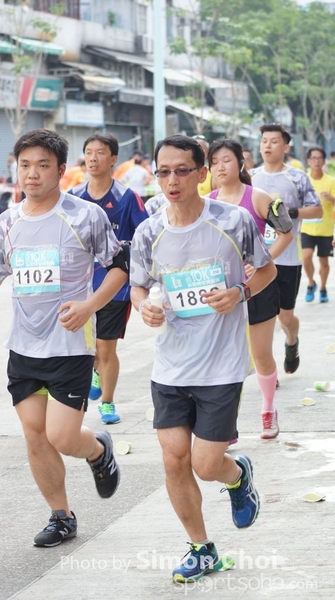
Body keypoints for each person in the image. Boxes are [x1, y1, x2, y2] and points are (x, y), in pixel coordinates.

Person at [0, 129, 127, 547]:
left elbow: (120, 266)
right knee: (35, 435)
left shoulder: (85, 216)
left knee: (62, 437)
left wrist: (89, 305)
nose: (32, 174)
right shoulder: (8, 221)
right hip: (23, 346)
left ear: (61, 170)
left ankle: (97, 450)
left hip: (70, 345)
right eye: (25, 165)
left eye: (43, 165)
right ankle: (61, 516)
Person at [130, 134, 277, 582]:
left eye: (182, 171)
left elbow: (266, 269)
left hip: (222, 364)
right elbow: (138, 285)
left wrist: (239, 292)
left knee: (205, 464)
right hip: (170, 364)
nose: (172, 181)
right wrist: (144, 306)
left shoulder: (233, 221)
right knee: (174, 459)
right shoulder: (148, 231)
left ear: (202, 173)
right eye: (163, 172)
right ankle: (201, 548)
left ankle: (237, 476)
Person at [208, 139, 293, 439]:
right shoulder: (207, 202)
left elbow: (286, 232)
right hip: (221, 291)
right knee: (225, 359)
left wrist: (262, 262)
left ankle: (268, 410)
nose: (220, 166)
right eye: (214, 161)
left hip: (257, 287)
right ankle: (225, 427)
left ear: (240, 163)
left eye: (226, 160)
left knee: (260, 355)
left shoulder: (257, 197)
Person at [69, 133, 148, 424]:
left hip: (116, 287)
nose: (93, 158)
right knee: (85, 349)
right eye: (88, 152)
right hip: (79, 287)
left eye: (100, 152)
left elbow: (144, 235)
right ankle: (95, 372)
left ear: (114, 158)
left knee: (105, 347)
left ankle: (108, 402)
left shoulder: (127, 197)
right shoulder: (73, 197)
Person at [252, 123, 322, 374]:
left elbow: (317, 210)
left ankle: (292, 341)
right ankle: (268, 371)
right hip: (258, 260)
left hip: (288, 259)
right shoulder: (250, 176)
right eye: (264, 141)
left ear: (285, 147)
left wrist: (288, 213)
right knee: (261, 320)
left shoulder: (297, 177)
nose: (268, 146)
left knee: (285, 317)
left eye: (274, 141)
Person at [301, 147, 335, 302]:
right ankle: (311, 283)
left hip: (325, 229)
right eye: (313, 158)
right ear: (308, 161)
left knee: (324, 261)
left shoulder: (331, 181)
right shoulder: (303, 179)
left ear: (324, 161)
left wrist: (331, 199)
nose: (317, 161)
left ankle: (322, 288)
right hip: (306, 228)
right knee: (306, 257)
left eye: (320, 158)